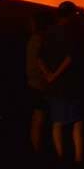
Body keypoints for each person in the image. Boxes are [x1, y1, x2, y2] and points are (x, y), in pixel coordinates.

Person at [40, 1, 84, 163]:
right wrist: (56, 74)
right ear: (71, 15)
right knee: (77, 122)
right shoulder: (72, 33)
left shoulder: (49, 32)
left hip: (55, 86)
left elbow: (40, 57)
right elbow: (70, 58)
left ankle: (60, 157)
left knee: (57, 122)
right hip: (70, 84)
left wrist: (49, 75)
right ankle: (78, 159)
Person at [25, 10, 53, 154]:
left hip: (34, 84)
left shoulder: (34, 39)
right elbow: (40, 60)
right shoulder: (40, 40)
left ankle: (35, 150)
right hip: (40, 85)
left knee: (37, 118)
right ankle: (37, 150)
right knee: (40, 119)